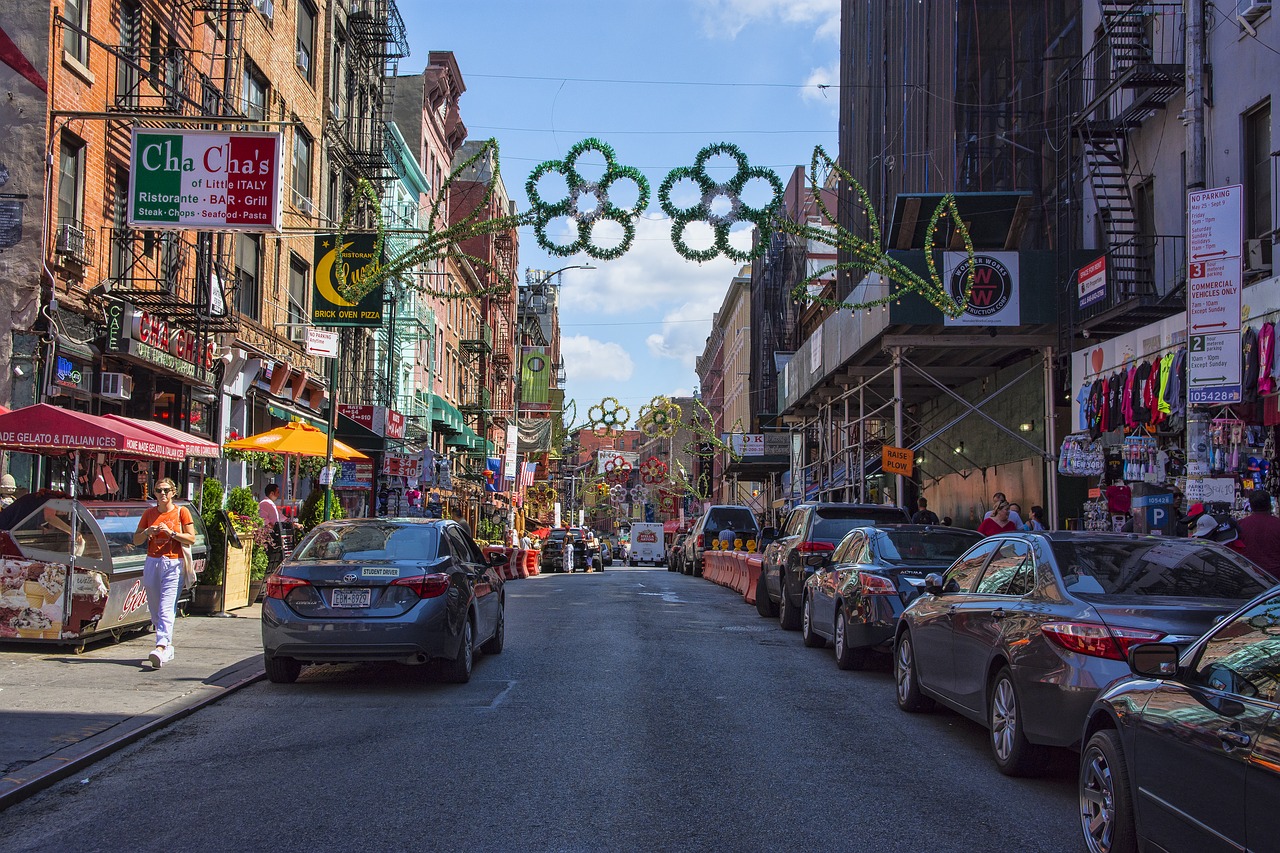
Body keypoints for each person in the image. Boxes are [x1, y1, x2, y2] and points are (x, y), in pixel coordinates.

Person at [132, 478, 195, 669]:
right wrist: (147, 532)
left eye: (166, 490)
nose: (162, 494)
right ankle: (166, 645)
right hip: (153, 561)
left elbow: (191, 538)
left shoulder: (181, 512)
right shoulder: (149, 513)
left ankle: (160, 646)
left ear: (173, 492)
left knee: (167, 605)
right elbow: (136, 540)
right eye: (159, 490)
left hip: (174, 562)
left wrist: (171, 533)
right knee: (154, 605)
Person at [1235, 489, 1280, 580]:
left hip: (1251, 576)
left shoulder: (1241, 524)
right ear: (1269, 505)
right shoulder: (1277, 524)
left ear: (1251, 506)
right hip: (1275, 577)